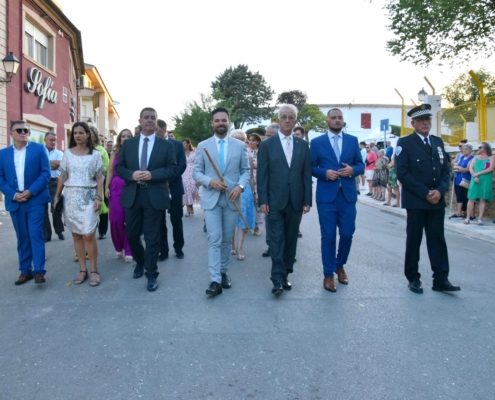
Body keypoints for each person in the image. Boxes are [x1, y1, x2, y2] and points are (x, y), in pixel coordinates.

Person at [395, 104, 460, 294]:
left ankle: (441, 279)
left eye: (428, 119)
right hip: (417, 200)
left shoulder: (438, 142)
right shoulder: (405, 143)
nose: (425, 123)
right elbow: (403, 173)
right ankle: (413, 278)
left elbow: (445, 170)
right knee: (414, 240)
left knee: (437, 239)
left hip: (436, 201)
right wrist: (425, 193)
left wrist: (440, 191)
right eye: (421, 120)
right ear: (413, 123)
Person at [116, 107, 178, 292]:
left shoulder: (166, 145)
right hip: (133, 195)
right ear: (140, 121)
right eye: (146, 118)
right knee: (132, 235)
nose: (150, 120)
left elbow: (172, 169)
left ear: (157, 122)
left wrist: (152, 174)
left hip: (154, 195)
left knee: (152, 237)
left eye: (153, 118)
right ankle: (140, 262)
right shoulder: (129, 144)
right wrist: (132, 174)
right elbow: (120, 168)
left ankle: (151, 274)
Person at [193, 107, 250, 296]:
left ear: (229, 122)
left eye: (223, 120)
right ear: (212, 123)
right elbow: (197, 172)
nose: (220, 123)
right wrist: (210, 181)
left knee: (227, 239)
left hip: (232, 199)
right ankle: (215, 279)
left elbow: (245, 171)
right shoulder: (203, 145)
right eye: (217, 120)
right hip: (211, 199)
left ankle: (224, 272)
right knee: (214, 238)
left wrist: (239, 187)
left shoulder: (240, 146)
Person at [257, 104, 312, 295]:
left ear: (295, 121)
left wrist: (307, 200)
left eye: (291, 117)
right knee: (276, 240)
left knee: (290, 241)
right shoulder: (267, 145)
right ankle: (277, 280)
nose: (287, 120)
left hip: (296, 201)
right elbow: (262, 176)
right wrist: (262, 200)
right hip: (274, 202)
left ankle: (286, 273)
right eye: (284, 117)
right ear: (278, 120)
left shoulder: (303, 145)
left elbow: (306, 174)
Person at [310, 108, 364, 292]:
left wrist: (353, 171)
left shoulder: (352, 140)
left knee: (347, 234)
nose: (337, 120)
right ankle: (328, 274)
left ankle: (340, 265)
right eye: (333, 118)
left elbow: (361, 164)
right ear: (327, 121)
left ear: (343, 121)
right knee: (328, 236)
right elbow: (311, 167)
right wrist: (324, 172)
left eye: (340, 118)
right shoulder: (317, 142)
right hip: (326, 196)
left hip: (347, 195)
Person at [0, 120, 51, 285]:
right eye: (19, 130)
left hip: (35, 199)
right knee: (22, 237)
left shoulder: (39, 149)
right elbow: (0, 178)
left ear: (29, 133)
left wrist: (30, 191)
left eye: (26, 130)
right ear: (11, 133)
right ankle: (25, 271)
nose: (23, 132)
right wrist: (14, 195)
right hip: (16, 201)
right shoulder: (3, 154)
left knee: (35, 233)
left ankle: (39, 271)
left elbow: (45, 173)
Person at [53, 122, 104, 287]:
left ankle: (94, 269)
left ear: (88, 135)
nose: (77, 136)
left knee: (89, 234)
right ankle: (83, 269)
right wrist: (57, 196)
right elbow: (62, 176)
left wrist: (99, 197)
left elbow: (99, 178)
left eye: (81, 133)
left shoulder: (95, 155)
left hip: (89, 196)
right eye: (75, 133)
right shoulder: (67, 154)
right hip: (71, 196)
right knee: (76, 235)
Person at [155, 119, 187, 261]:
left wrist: (168, 180)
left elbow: (182, 165)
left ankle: (178, 248)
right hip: (157, 187)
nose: (153, 132)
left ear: (163, 129)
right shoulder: (152, 145)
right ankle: (163, 251)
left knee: (176, 219)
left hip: (175, 187)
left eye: (156, 129)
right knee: (160, 221)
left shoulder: (177, 144)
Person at [105, 129, 133, 262]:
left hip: (131, 186)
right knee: (115, 220)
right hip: (116, 187)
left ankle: (129, 250)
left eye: (128, 136)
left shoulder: (135, 152)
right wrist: (106, 187)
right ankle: (118, 245)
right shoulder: (115, 153)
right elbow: (110, 171)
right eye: (123, 136)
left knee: (130, 220)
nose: (126, 138)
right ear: (120, 139)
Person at [230, 129, 256, 261]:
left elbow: (251, 177)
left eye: (241, 140)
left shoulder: (249, 156)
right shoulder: (227, 156)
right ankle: (232, 245)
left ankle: (240, 247)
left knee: (242, 221)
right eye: (236, 140)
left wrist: (253, 192)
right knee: (231, 220)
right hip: (230, 190)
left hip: (245, 192)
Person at [260, 123, 279, 257]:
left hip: (286, 194)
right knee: (269, 222)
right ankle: (271, 246)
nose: (266, 138)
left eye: (269, 135)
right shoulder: (265, 147)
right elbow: (262, 174)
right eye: (265, 135)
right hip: (270, 194)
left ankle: (287, 251)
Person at [464, 142, 494, 225]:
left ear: (485, 148)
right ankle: (468, 218)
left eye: (480, 147)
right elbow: (470, 167)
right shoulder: (476, 157)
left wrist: (478, 173)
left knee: (482, 198)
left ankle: (480, 219)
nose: (478, 149)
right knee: (471, 198)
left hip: (485, 180)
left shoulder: (491, 158)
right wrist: (474, 175)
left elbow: (491, 168)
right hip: (475, 179)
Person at [43, 131, 65, 242]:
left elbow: (61, 164)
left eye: (54, 140)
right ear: (45, 140)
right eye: (51, 140)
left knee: (56, 208)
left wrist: (44, 164)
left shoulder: (60, 153)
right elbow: (37, 164)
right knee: (42, 209)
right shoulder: (40, 151)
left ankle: (59, 231)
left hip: (55, 182)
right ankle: (46, 234)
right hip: (41, 182)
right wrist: (52, 164)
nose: (53, 142)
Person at [90, 127, 110, 240]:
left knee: (101, 206)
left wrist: (97, 173)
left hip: (99, 181)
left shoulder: (101, 149)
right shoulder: (83, 148)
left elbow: (107, 165)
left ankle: (102, 231)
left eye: (92, 133)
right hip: (86, 182)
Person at [451, 143, 474, 219]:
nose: (464, 150)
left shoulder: (472, 158)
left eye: (466, 149)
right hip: (459, 179)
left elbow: (467, 169)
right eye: (463, 149)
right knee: (459, 196)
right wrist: (459, 167)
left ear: (470, 150)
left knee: (467, 197)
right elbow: (455, 165)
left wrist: (458, 168)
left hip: (467, 180)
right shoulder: (461, 157)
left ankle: (469, 213)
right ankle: (459, 212)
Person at [247, 133, 263, 236]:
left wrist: (255, 165)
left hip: (259, 178)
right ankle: (246, 224)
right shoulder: (245, 151)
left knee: (257, 202)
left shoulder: (261, 152)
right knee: (248, 201)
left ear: (258, 142)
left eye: (253, 140)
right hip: (247, 178)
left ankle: (257, 226)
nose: (251, 142)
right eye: (249, 140)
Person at [182, 138, 200, 216]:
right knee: (186, 190)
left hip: (193, 172)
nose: (183, 145)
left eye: (184, 143)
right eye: (182, 144)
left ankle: (191, 207)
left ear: (188, 144)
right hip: (184, 173)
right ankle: (188, 210)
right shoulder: (182, 153)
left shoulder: (194, 152)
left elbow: (198, 163)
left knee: (192, 190)